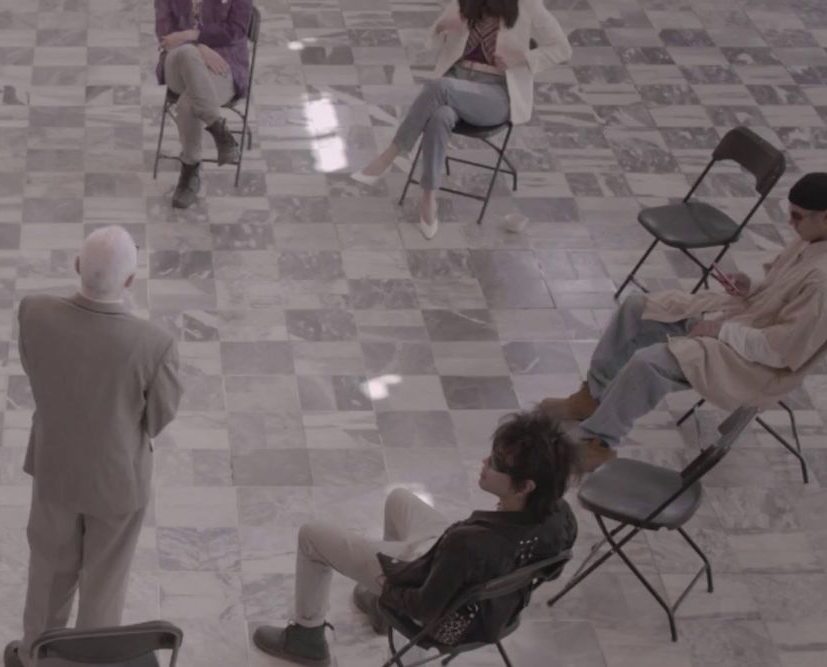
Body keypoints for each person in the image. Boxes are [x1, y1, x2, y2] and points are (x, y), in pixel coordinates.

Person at [541, 173, 827, 472]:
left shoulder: (823, 282)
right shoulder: (810, 237)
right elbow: (779, 289)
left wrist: (721, 330)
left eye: (796, 216)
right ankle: (593, 396)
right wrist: (751, 285)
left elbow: (782, 352)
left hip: (753, 364)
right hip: (740, 321)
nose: (789, 223)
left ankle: (599, 443)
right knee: (638, 308)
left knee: (648, 362)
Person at [252, 410, 578, 665]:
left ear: (525, 486)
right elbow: (551, 568)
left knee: (311, 536)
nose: (484, 463)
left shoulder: (468, 544)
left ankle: (307, 637)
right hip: (487, 601)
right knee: (399, 499)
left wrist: (387, 587)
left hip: (436, 598)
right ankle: (379, 614)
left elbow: (424, 608)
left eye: (495, 463)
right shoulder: (561, 518)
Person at [5, 226, 183, 667]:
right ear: (129, 282)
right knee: (104, 585)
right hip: (117, 485)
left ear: (78, 266)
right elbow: (158, 419)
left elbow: (34, 372)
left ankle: (34, 656)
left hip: (55, 469)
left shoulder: (34, 312)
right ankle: (87, 663)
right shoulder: (153, 344)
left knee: (48, 573)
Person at [350, 0, 569, 239]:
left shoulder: (528, 5)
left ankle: (389, 155)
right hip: (458, 81)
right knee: (440, 116)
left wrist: (523, 59)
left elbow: (561, 48)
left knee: (439, 87)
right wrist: (441, 29)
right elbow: (432, 42)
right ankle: (428, 198)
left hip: (496, 94)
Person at [153, 0, 253, 210]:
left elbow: (236, 30)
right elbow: (166, 34)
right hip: (177, 62)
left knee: (189, 105)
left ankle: (190, 170)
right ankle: (218, 129)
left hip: (222, 65)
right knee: (188, 54)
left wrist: (193, 35)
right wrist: (198, 48)